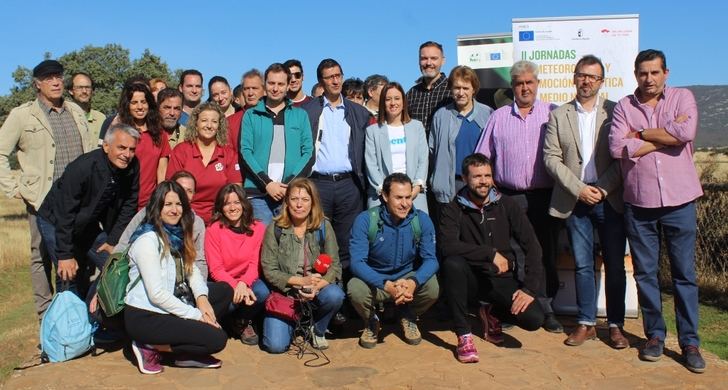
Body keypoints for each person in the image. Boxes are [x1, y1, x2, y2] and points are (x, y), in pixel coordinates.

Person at [609, 49, 705, 373]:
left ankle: (690, 342)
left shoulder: (682, 98)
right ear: (635, 74)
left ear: (666, 73)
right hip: (640, 203)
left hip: (680, 201)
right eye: (642, 73)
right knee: (646, 275)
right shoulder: (624, 106)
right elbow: (617, 147)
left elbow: (686, 133)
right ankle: (655, 337)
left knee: (684, 276)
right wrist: (667, 136)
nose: (648, 79)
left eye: (654, 72)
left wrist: (641, 134)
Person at [543, 55, 629, 349]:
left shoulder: (616, 112)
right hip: (574, 199)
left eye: (593, 76)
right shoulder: (558, 115)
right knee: (582, 264)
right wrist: (580, 189)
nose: (586, 81)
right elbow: (551, 159)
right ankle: (586, 323)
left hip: (610, 199)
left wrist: (602, 189)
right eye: (582, 75)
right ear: (574, 77)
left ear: (601, 81)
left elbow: (623, 157)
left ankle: (616, 325)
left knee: (615, 265)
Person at [0, 59, 93, 319]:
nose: (55, 81)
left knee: (77, 254)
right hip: (42, 200)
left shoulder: (75, 111)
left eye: (58, 77)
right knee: (41, 256)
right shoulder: (22, 115)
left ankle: (76, 311)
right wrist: (15, 187)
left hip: (79, 200)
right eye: (49, 78)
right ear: (37, 84)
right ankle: (46, 314)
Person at [474, 60, 562, 333]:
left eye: (529, 82)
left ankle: (547, 309)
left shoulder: (552, 113)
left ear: (537, 84)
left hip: (545, 195)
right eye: (519, 83)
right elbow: (482, 157)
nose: (524, 87)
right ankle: (516, 309)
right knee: (514, 252)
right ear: (512, 86)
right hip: (509, 197)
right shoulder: (498, 117)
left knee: (546, 252)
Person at [440, 153, 545, 363]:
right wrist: (489, 254)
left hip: (500, 279)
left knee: (534, 319)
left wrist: (529, 289)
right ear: (465, 178)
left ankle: (489, 312)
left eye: (487, 175)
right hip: (469, 280)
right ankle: (464, 335)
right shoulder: (453, 209)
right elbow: (446, 246)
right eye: (477, 176)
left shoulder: (507, 204)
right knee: (452, 264)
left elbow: (532, 246)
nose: (483, 181)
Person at [124, 181, 233, 375]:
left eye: (179, 204)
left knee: (224, 291)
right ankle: (150, 346)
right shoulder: (147, 240)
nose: (174, 210)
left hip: (172, 300)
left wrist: (202, 299)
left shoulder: (175, 234)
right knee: (217, 339)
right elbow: (157, 294)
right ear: (157, 207)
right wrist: (198, 316)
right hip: (147, 315)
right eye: (168, 204)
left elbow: (192, 271)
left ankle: (185, 351)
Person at [36, 124, 139, 299]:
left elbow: (129, 204)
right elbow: (65, 213)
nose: (127, 154)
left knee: (114, 265)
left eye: (132, 149)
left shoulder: (132, 166)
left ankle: (95, 309)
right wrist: (65, 254)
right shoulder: (82, 168)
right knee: (68, 273)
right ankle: (69, 321)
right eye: (121, 147)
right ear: (106, 146)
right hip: (55, 220)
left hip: (87, 223)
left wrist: (113, 239)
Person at [349, 173, 439, 348]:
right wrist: (387, 285)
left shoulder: (421, 220)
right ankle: (371, 321)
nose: (405, 203)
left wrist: (413, 282)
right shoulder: (366, 220)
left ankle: (408, 315)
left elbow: (431, 260)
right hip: (377, 280)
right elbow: (357, 263)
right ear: (384, 196)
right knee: (355, 289)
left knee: (432, 288)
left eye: (408, 197)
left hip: (406, 279)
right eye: (398, 198)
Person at [301, 58, 371, 277]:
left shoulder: (357, 112)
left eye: (338, 75)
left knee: (347, 241)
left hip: (349, 185)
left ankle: (344, 295)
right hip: (318, 184)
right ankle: (322, 294)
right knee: (318, 239)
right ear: (321, 81)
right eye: (329, 77)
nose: (335, 81)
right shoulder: (308, 111)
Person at [260, 178, 344, 353]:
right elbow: (269, 270)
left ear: (313, 202)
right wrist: (299, 281)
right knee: (275, 346)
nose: (299, 205)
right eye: (294, 199)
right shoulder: (275, 228)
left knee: (335, 295)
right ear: (287, 201)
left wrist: (315, 286)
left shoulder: (323, 227)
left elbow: (335, 266)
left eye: (305, 200)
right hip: (287, 293)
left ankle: (317, 329)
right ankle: (294, 324)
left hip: (317, 291)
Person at [241, 63, 314, 225]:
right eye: (271, 83)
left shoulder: (300, 115)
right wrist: (267, 183)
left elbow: (308, 152)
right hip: (258, 194)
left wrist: (288, 184)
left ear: (288, 86)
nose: (275, 88)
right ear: (265, 84)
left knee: (290, 244)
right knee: (263, 245)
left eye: (280, 84)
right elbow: (245, 152)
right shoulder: (251, 115)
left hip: (290, 193)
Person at [429, 65, 493, 224]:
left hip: (479, 184)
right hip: (450, 185)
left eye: (466, 88)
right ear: (451, 89)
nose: (461, 92)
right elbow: (432, 150)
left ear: (474, 90)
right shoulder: (441, 115)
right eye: (457, 87)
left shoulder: (488, 114)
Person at [116, 170, 208, 279]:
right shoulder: (147, 213)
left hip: (181, 278)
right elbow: (123, 245)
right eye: (180, 189)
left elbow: (198, 260)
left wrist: (202, 290)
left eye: (189, 191)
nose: (184, 194)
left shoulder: (196, 223)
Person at [206, 184, 268, 345]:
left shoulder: (258, 228)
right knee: (229, 300)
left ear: (244, 204)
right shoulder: (214, 229)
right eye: (227, 204)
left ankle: (243, 321)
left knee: (261, 292)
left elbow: (255, 264)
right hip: (224, 282)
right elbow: (216, 269)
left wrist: (243, 283)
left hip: (248, 280)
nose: (232, 208)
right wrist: (236, 286)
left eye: (236, 202)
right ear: (221, 207)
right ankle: (227, 320)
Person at [167, 102, 241, 225]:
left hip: (220, 219)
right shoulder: (181, 151)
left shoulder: (228, 153)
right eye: (204, 120)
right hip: (185, 218)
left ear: (219, 126)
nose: (209, 125)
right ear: (196, 124)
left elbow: (235, 190)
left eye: (214, 121)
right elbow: (171, 189)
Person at [364, 82, 428, 212]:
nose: (393, 103)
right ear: (383, 103)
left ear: (404, 102)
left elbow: (423, 159)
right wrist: (386, 192)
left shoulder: (417, 127)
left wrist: (414, 190)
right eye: (388, 99)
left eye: (397, 98)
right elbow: (371, 164)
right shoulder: (373, 131)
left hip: (413, 193)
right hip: (382, 195)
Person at [117, 83, 170, 209]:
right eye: (134, 102)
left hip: (149, 203)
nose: (140, 107)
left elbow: (162, 173)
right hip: (122, 202)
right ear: (127, 106)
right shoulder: (120, 132)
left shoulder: (159, 134)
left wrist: (159, 200)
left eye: (143, 102)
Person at [406, 41, 452, 137]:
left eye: (434, 58)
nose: (428, 63)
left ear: (443, 60)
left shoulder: (452, 90)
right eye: (424, 58)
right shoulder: (411, 94)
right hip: (416, 151)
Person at [227, 69, 266, 151]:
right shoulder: (230, 122)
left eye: (255, 88)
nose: (250, 93)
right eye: (246, 89)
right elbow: (228, 153)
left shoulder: (276, 117)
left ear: (264, 90)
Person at [68, 72, 106, 145]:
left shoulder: (101, 118)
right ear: (71, 91)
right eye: (80, 87)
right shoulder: (64, 117)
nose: (84, 91)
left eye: (88, 87)